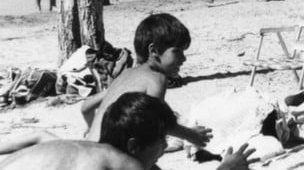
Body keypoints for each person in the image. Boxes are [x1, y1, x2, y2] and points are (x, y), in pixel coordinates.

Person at [0, 92, 257, 170]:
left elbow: (39, 137)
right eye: (160, 140)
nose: (164, 147)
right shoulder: (123, 164)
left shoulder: (89, 151)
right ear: (133, 145)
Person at [80, 13, 213, 150]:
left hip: (90, 150)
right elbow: (159, 122)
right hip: (112, 158)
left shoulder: (125, 75)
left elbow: (86, 107)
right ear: (154, 50)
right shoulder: (156, 79)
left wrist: (92, 129)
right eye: (177, 52)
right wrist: (191, 135)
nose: (183, 59)